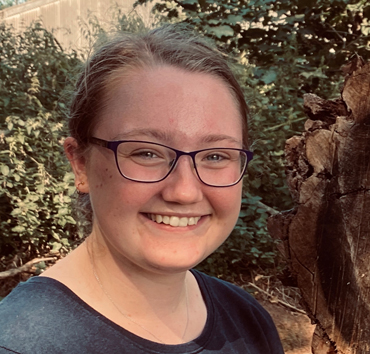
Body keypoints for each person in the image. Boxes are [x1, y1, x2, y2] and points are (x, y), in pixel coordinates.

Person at [0, 26, 284, 354]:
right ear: (80, 164)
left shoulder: (247, 321)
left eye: (216, 156)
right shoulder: (19, 344)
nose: (185, 192)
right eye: (146, 153)